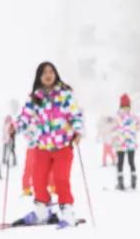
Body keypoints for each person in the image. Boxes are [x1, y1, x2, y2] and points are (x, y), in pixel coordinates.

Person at [8, 61, 84, 226]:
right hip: (42, 146)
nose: (48, 75)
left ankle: (67, 212)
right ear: (39, 77)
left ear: (55, 74)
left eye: (51, 72)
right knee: (38, 179)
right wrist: (15, 127)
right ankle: (42, 212)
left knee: (60, 179)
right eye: (44, 73)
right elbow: (25, 117)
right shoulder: (35, 98)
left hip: (63, 146)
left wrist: (77, 131)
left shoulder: (65, 95)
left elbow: (76, 115)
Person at [112, 93, 140, 190]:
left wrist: (116, 134)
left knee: (120, 162)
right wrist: (133, 130)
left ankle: (120, 181)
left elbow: (113, 128)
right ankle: (133, 179)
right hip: (131, 143)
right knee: (131, 161)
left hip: (120, 142)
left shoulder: (117, 116)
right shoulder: (133, 117)